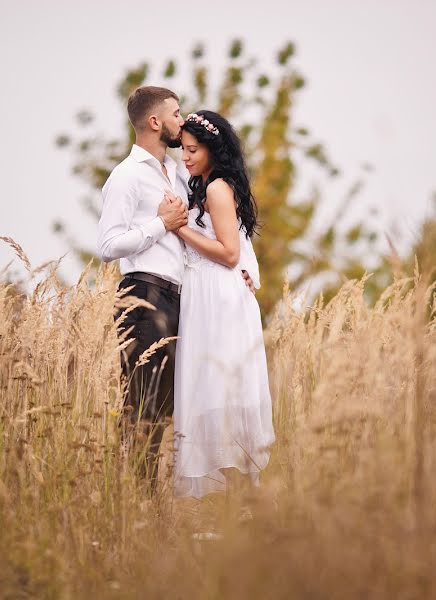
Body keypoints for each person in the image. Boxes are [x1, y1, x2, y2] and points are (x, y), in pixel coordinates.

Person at [97, 88, 254, 487]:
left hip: (184, 301)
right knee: (142, 406)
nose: (181, 120)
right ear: (155, 122)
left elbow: (221, 230)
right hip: (144, 295)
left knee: (169, 408)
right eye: (175, 113)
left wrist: (244, 271)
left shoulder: (179, 172)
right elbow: (107, 246)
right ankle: (136, 504)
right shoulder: (127, 176)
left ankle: (154, 501)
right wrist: (160, 226)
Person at [168, 110, 275, 498]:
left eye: (193, 150)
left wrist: (179, 229)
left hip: (217, 296)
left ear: (213, 149)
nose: (186, 157)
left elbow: (230, 253)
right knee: (212, 394)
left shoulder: (215, 189)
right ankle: (238, 500)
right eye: (183, 149)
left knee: (216, 392)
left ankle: (245, 498)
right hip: (208, 295)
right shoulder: (206, 185)